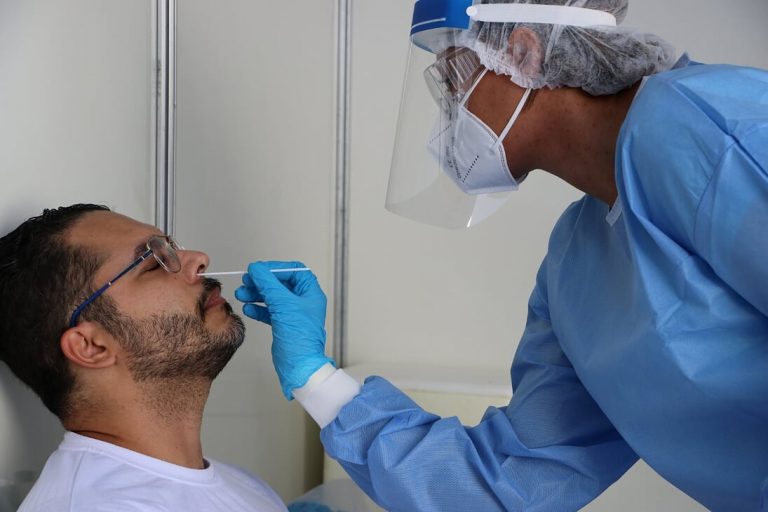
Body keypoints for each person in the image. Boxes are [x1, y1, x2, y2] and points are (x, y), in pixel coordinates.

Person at [234, 0, 768, 510]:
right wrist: (316, 377)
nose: (446, 116)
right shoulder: (575, 267)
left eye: (454, 75)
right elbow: (509, 480)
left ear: (523, 52)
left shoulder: (710, 126)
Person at [0, 204, 286, 512]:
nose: (199, 259)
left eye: (173, 248)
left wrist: (322, 383)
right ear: (91, 347)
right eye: (152, 263)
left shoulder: (246, 486)